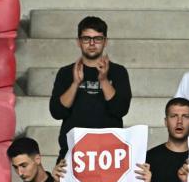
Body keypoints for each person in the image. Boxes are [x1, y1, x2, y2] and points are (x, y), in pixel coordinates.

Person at [48, 16, 131, 159]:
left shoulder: (118, 72)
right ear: (78, 42)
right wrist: (75, 83)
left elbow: (120, 110)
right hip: (73, 152)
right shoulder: (66, 72)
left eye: (97, 39)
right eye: (86, 38)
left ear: (105, 41)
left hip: (108, 155)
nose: (92, 43)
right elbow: (57, 112)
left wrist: (103, 80)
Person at [144, 97, 189, 182]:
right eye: (174, 116)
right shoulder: (149, 157)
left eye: (185, 116)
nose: (179, 121)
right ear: (166, 122)